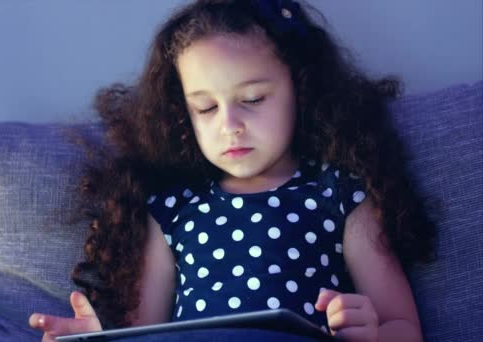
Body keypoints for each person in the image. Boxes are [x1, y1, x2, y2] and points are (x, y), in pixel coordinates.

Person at [28, 0, 435, 341]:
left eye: (253, 99)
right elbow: (146, 334)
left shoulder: (340, 195)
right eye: (205, 108)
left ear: (302, 90)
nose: (229, 124)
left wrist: (373, 332)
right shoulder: (170, 209)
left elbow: (406, 329)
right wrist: (99, 336)